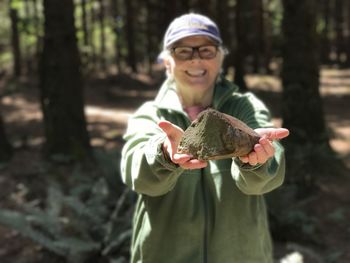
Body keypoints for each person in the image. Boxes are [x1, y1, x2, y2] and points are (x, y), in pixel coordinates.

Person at [121, 13, 289, 263]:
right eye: (183, 51)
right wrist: (164, 154)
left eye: (207, 50)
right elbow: (138, 174)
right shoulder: (151, 115)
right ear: (167, 61)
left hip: (241, 254)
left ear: (220, 57)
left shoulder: (245, 107)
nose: (196, 58)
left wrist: (257, 160)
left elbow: (266, 178)